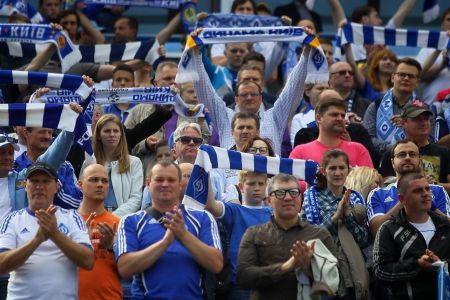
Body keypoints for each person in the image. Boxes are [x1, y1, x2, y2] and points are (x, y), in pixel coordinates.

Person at [116, 160, 223, 299]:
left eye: (171, 180)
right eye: (159, 179)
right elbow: (125, 268)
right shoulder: (131, 221)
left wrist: (183, 235)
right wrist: (165, 243)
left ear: (180, 185)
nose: (165, 184)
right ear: (148, 184)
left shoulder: (203, 218)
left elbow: (216, 264)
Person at [237, 173, 340, 299]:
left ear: (300, 198)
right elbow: (243, 277)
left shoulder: (319, 235)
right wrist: (286, 267)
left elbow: (335, 278)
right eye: (280, 193)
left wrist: (308, 267)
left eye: (294, 192)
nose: (288, 198)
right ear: (269, 200)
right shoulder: (255, 234)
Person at [0, 162, 94, 299]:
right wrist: (36, 241)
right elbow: (1, 265)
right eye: (34, 181)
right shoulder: (13, 219)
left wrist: (55, 234)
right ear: (25, 186)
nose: (39, 186)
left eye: (46, 181)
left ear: (56, 187)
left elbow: (88, 261)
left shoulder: (72, 217)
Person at [302, 149, 370, 298]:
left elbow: (364, 240)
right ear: (323, 171)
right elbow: (310, 236)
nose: (337, 173)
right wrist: (335, 217)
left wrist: (347, 216)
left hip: (353, 270)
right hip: (322, 267)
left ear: (349, 170)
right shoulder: (311, 196)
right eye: (332, 168)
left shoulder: (356, 198)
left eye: (341, 168)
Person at [373, 172, 450, 299]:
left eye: (427, 189)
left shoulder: (445, 226)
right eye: (417, 191)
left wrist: (442, 264)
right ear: (402, 199)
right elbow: (380, 271)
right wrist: (417, 264)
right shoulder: (389, 229)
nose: (426, 194)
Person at [206, 170, 271, 300]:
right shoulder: (234, 210)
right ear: (241, 187)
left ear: (266, 187)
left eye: (261, 184)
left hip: (269, 283)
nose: (257, 188)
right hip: (240, 285)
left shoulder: (273, 213)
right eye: (251, 184)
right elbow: (210, 204)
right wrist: (206, 171)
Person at [367, 139, 450, 237]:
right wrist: (405, 199)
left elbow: (448, 226)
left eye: (412, 154)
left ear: (420, 160)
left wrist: (430, 204)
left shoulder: (437, 190)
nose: (407, 158)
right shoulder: (378, 193)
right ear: (392, 162)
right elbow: (375, 230)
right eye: (402, 155)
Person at [378, 100, 450, 192]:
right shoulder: (392, 154)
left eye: (426, 119)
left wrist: (433, 185)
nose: (423, 123)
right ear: (403, 123)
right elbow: (385, 188)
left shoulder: (444, 152)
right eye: (418, 119)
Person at [83, 114, 143, 217]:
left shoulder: (134, 162)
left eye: (116, 131)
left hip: (122, 221)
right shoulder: (89, 162)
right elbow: (83, 194)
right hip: (93, 219)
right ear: (98, 136)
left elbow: (135, 199)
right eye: (107, 131)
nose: (112, 134)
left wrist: (111, 218)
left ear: (121, 134)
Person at [78, 164, 122, 300]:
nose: (100, 185)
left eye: (104, 181)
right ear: (80, 185)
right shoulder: (68, 222)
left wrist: (111, 247)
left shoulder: (120, 223)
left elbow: (129, 270)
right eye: (93, 180)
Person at [290, 96, 373, 167]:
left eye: (343, 115)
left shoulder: (359, 150)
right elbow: (289, 182)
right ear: (319, 118)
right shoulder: (300, 152)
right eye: (334, 115)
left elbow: (370, 182)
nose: (340, 118)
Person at [363, 57, 422, 154]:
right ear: (392, 77)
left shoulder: (424, 110)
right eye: (402, 74)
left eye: (411, 76)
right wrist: (394, 148)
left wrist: (409, 126)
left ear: (417, 82)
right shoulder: (375, 106)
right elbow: (367, 138)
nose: (406, 78)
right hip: (380, 162)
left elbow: (429, 140)